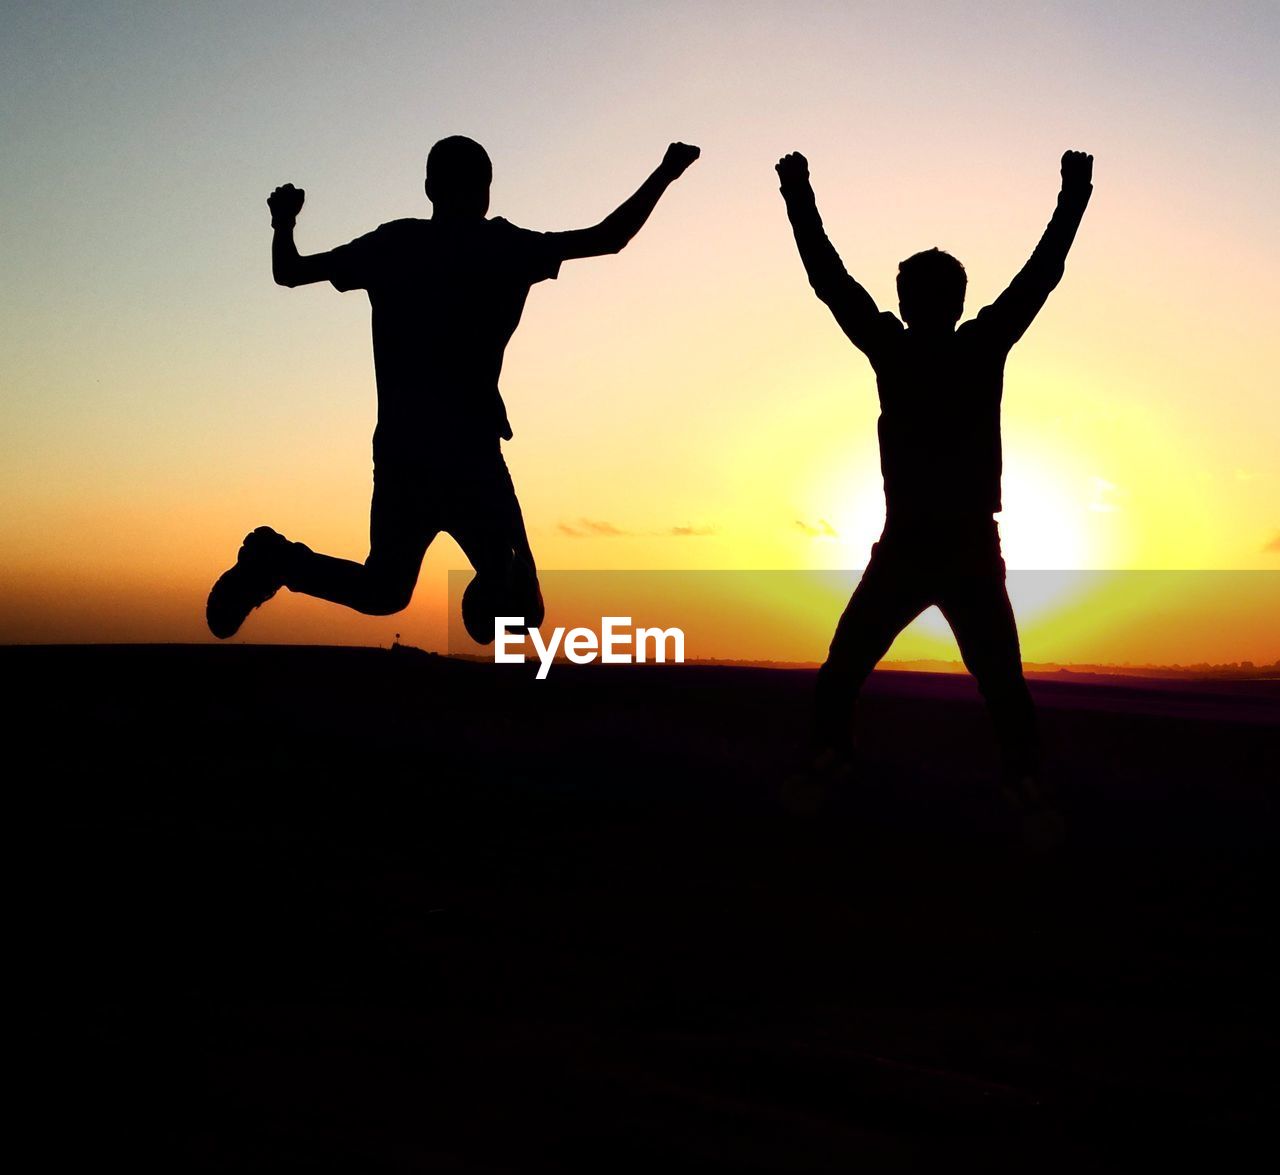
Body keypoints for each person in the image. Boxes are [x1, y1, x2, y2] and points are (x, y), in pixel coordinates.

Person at [206, 135, 700, 643]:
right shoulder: (505, 247)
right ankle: (490, 597)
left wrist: (283, 221)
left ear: (428, 189)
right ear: (487, 192)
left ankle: (276, 560)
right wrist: (665, 173)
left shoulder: (394, 245)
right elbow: (609, 237)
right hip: (468, 458)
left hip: (411, 453)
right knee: (517, 607)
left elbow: (288, 272)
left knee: (386, 591)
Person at [776, 148, 1093, 799]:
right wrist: (1072, 196)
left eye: (917, 293)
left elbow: (831, 282)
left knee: (973, 679)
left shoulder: (923, 346)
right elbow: (1040, 276)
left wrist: (799, 194)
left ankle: (1023, 784)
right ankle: (1020, 782)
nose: (911, 301)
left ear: (925, 300)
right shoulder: (958, 344)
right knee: (971, 680)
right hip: (933, 543)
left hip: (944, 544)